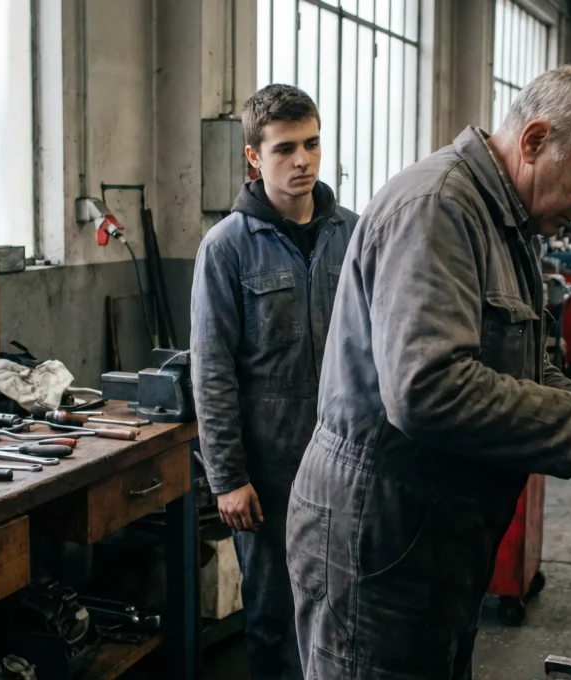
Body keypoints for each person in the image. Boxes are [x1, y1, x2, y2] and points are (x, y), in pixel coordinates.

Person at [286, 65, 571, 679]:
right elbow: (426, 389)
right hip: (382, 534)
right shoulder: (438, 208)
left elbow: (527, 363)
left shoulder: (509, 220)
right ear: (534, 141)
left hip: (435, 531)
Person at [190, 84, 359, 680]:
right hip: (271, 474)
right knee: (275, 621)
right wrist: (228, 478)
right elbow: (212, 372)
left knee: (347, 614)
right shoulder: (227, 248)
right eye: (285, 148)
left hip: (349, 464)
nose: (303, 160)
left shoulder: (354, 235)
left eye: (312, 143)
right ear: (254, 158)